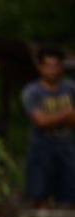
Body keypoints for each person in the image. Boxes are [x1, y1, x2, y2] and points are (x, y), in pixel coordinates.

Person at [21, 47, 75, 207]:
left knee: (69, 195)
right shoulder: (32, 92)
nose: (52, 70)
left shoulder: (71, 88)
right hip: (41, 148)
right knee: (38, 194)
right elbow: (40, 121)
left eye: (55, 65)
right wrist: (66, 114)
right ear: (40, 67)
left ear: (61, 67)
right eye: (48, 65)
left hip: (67, 147)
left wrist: (53, 118)